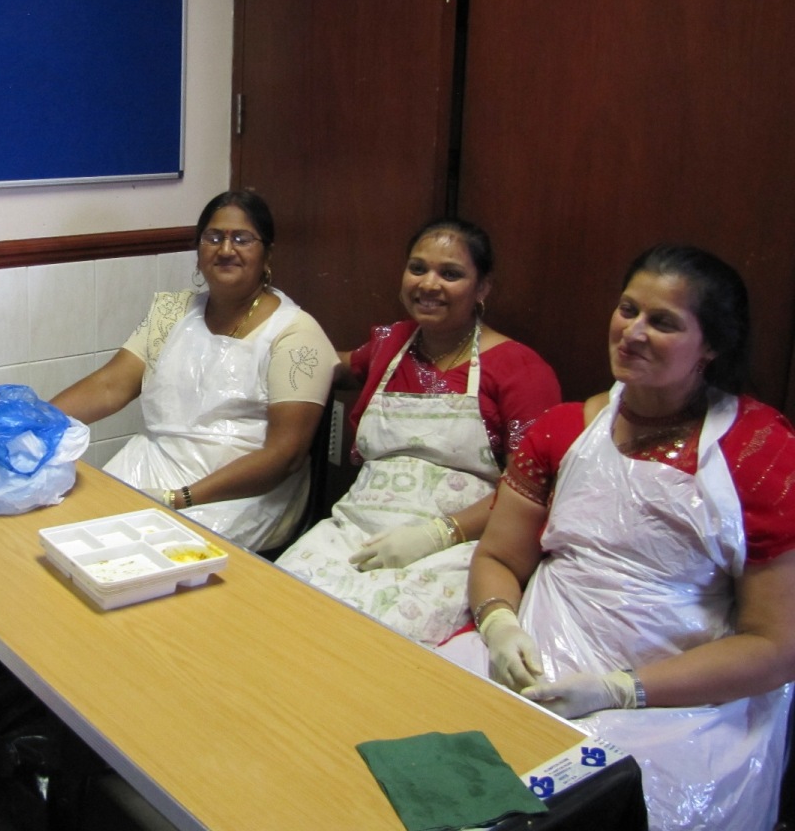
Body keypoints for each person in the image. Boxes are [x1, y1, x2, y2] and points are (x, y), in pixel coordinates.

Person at [440, 244, 795, 831]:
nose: (631, 332)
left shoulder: (760, 454)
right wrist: (501, 625)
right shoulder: (562, 430)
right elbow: (500, 556)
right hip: (533, 656)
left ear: (711, 346)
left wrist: (619, 691)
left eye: (663, 322)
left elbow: (774, 646)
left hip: (674, 699)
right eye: (628, 309)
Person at [277, 219, 561, 645]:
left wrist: (438, 533)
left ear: (482, 288)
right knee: (278, 607)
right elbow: (329, 366)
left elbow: (533, 493)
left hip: (455, 545)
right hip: (353, 529)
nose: (429, 284)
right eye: (418, 268)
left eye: (451, 274)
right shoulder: (390, 345)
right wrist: (265, 353)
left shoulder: (521, 370)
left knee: (375, 642)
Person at [51, 190, 337, 551]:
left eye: (242, 239)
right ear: (199, 251)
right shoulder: (172, 312)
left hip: (239, 492)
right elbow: (111, 385)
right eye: (213, 237)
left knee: (149, 553)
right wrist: (35, 419)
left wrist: (180, 498)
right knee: (72, 532)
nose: (226, 249)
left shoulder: (296, 332)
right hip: (153, 465)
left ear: (267, 253)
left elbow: (285, 455)